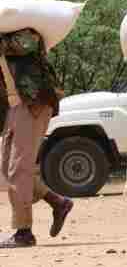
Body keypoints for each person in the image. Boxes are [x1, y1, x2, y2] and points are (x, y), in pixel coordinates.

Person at [0, 29, 73, 248]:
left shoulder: (27, 35)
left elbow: (26, 46)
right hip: (14, 108)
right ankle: (58, 202)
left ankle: (24, 232)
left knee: (18, 169)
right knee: (7, 169)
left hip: (33, 103)